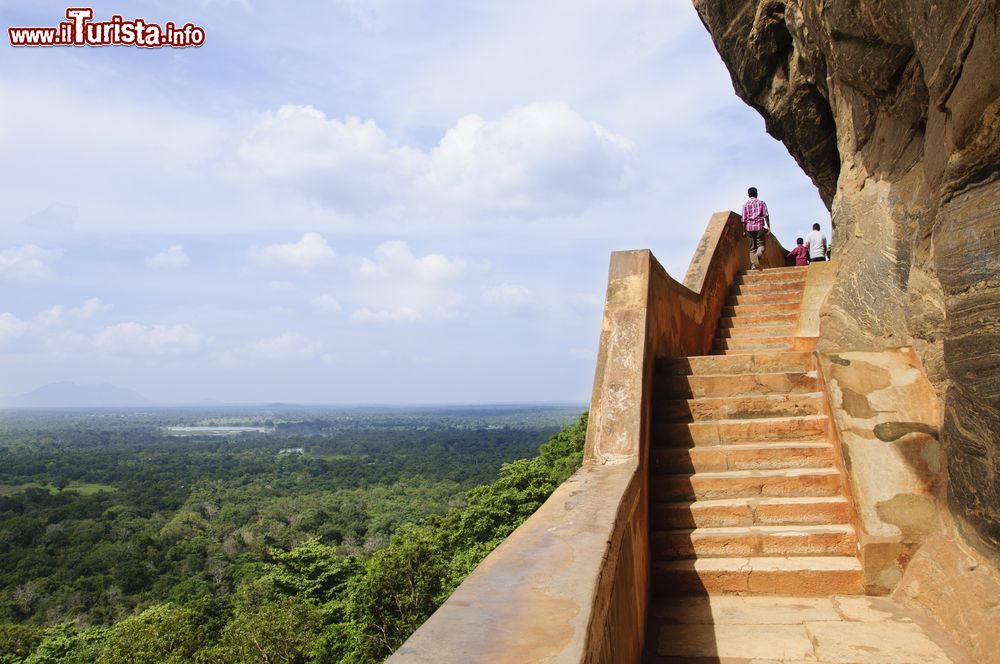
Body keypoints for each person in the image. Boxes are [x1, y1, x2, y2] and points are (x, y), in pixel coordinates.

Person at [741, 187, 770, 270]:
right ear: (757, 194)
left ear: (748, 195)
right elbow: (766, 215)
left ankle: (753, 265)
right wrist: (768, 226)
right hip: (759, 227)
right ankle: (757, 255)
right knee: (761, 246)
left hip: (749, 228)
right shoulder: (761, 203)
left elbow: (743, 220)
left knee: (752, 248)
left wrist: (743, 231)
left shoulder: (745, 205)